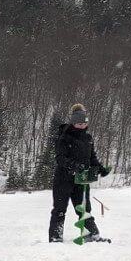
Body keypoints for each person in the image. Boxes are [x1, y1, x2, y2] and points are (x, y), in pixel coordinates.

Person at [48, 103, 112, 243]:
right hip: (63, 180)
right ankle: (55, 237)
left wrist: (100, 169)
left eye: (84, 123)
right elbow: (60, 158)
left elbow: (92, 157)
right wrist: (75, 165)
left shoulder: (88, 138)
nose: (82, 126)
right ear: (73, 122)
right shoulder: (64, 137)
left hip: (81, 180)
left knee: (84, 209)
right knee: (59, 210)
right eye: (79, 123)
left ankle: (92, 235)